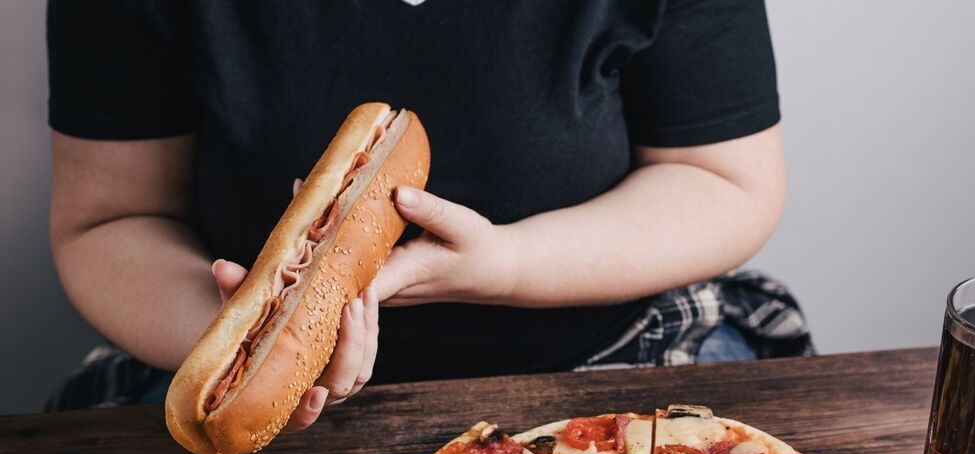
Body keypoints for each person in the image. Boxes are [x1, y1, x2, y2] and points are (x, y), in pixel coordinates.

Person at [45, 0, 812, 425]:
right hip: (221, 378)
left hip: (620, 348)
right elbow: (108, 220)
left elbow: (724, 181)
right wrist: (244, 346)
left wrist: (510, 264)